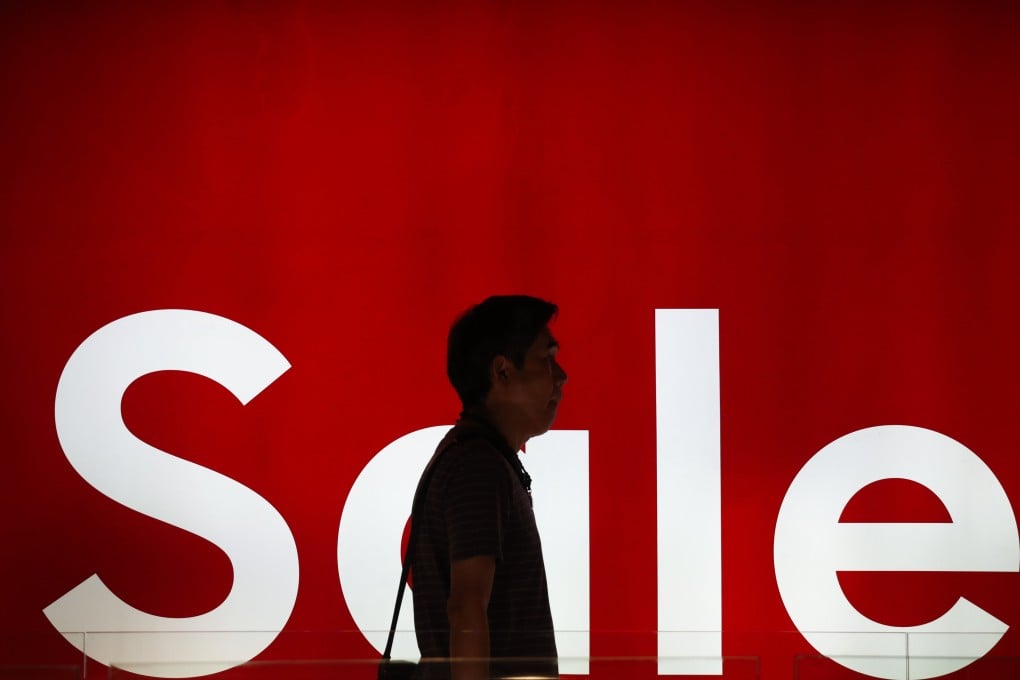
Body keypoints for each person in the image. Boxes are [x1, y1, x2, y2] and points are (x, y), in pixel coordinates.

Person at [410, 295, 567, 680]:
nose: (561, 376)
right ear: (503, 371)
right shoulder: (478, 466)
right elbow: (467, 606)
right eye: (546, 359)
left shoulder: (474, 458)